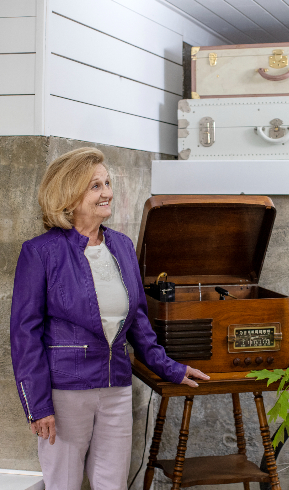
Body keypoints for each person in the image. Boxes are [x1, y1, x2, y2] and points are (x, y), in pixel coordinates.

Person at [10, 148, 209, 490]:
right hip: (65, 391)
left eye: (107, 183)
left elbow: (139, 325)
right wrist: (38, 406)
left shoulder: (121, 245)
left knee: (112, 485)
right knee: (64, 485)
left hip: (116, 387)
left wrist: (171, 368)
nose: (107, 193)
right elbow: (25, 336)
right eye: (94, 186)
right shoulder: (40, 252)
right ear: (68, 197)